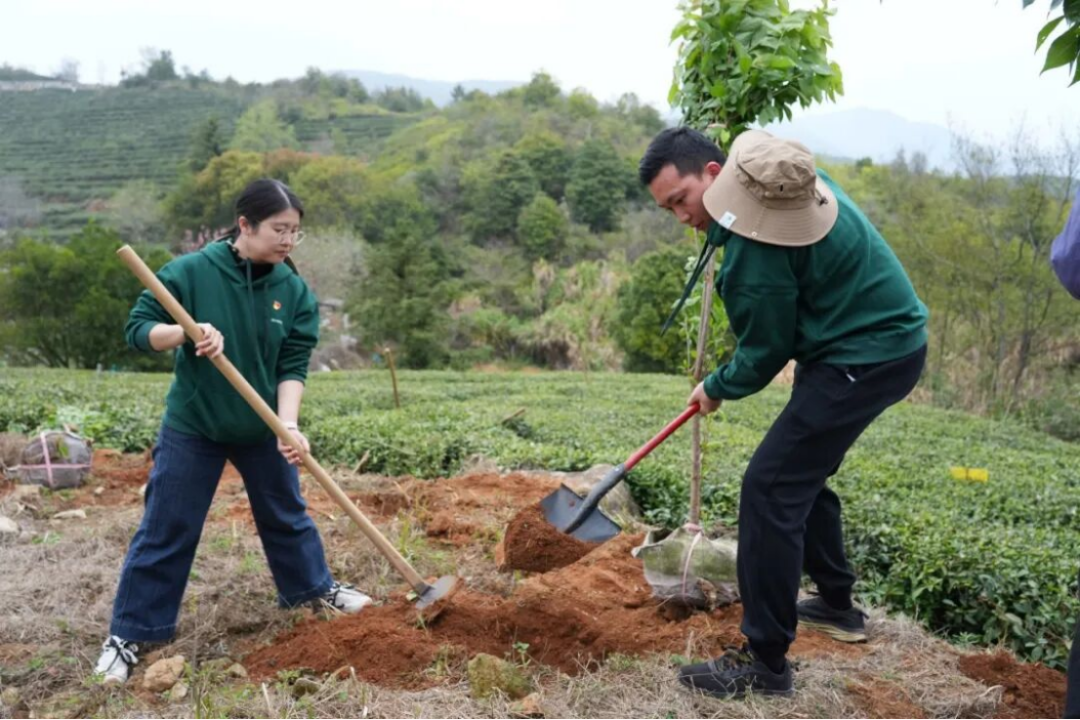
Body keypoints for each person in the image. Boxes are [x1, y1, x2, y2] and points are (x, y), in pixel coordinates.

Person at [638, 127, 929, 699]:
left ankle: (764, 663)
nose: (679, 217)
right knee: (799, 472)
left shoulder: (754, 242)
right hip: (878, 345)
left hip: (865, 356)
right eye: (666, 208)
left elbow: (766, 350)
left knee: (770, 488)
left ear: (716, 175)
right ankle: (838, 605)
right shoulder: (775, 177)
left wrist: (715, 386)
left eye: (681, 200)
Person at [94, 179, 372, 685]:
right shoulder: (192, 272)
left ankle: (314, 590)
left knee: (287, 514)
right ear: (244, 225)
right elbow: (138, 330)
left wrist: (288, 425)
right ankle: (130, 633)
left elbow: (293, 361)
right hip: (195, 424)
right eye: (278, 229)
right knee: (167, 526)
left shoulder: (291, 289)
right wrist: (184, 331)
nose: (288, 241)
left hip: (261, 424)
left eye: (295, 232)